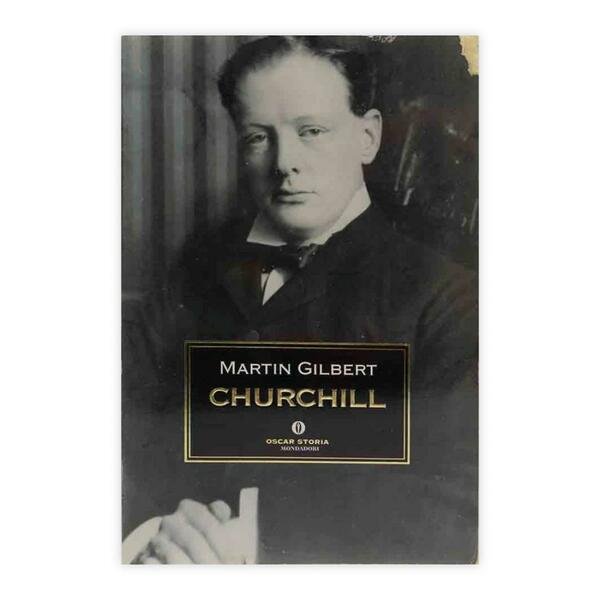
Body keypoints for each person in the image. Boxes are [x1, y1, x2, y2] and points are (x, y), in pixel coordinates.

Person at [122, 36, 477, 563]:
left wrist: (251, 541)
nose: (285, 162)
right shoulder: (196, 269)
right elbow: (118, 435)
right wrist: (149, 537)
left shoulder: (446, 295)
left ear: (367, 136)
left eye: (312, 131)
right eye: (258, 137)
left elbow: (462, 500)